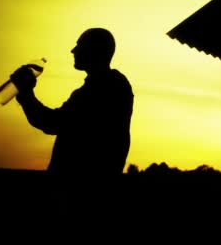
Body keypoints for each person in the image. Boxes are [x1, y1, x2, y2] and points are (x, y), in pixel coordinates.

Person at [11, 28, 134, 176]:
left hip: (79, 187)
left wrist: (26, 94)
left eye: (80, 45)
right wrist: (26, 95)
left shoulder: (105, 86)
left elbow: (53, 123)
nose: (73, 50)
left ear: (94, 50)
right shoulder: (109, 85)